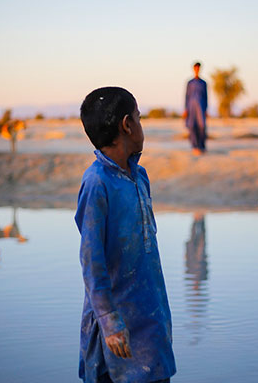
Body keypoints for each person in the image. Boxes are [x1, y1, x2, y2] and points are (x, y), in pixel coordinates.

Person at [75, 87, 176, 383]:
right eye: (138, 117)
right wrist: (109, 321)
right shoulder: (97, 183)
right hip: (119, 331)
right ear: (126, 125)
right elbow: (91, 262)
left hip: (151, 318)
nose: (141, 125)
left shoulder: (140, 176)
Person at [183, 61, 208, 155]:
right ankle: (195, 146)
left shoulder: (203, 83)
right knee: (192, 126)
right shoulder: (190, 83)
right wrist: (186, 109)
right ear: (194, 69)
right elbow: (186, 96)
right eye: (195, 68)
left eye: (198, 68)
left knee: (202, 126)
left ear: (200, 69)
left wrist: (206, 109)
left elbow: (206, 97)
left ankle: (202, 146)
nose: (197, 70)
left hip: (201, 107)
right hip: (191, 107)